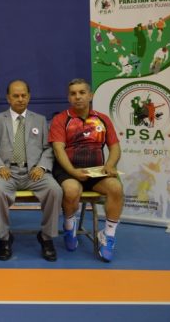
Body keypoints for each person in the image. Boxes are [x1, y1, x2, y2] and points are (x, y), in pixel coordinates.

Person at [49, 78, 123, 262]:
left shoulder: (102, 119)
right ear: (69, 97)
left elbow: (115, 147)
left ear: (90, 95)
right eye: (73, 94)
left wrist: (110, 165)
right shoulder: (60, 119)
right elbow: (58, 150)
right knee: (71, 190)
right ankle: (69, 227)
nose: (78, 97)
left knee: (116, 188)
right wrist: (73, 172)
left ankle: (108, 236)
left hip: (96, 172)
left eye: (82, 93)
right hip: (68, 171)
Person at [0, 80, 61, 261]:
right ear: (8, 98)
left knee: (55, 190)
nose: (20, 99)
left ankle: (46, 237)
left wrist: (42, 167)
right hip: (6, 172)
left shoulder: (40, 120)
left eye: (23, 95)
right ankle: (5, 238)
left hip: (34, 172)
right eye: (16, 96)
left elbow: (49, 148)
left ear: (29, 97)